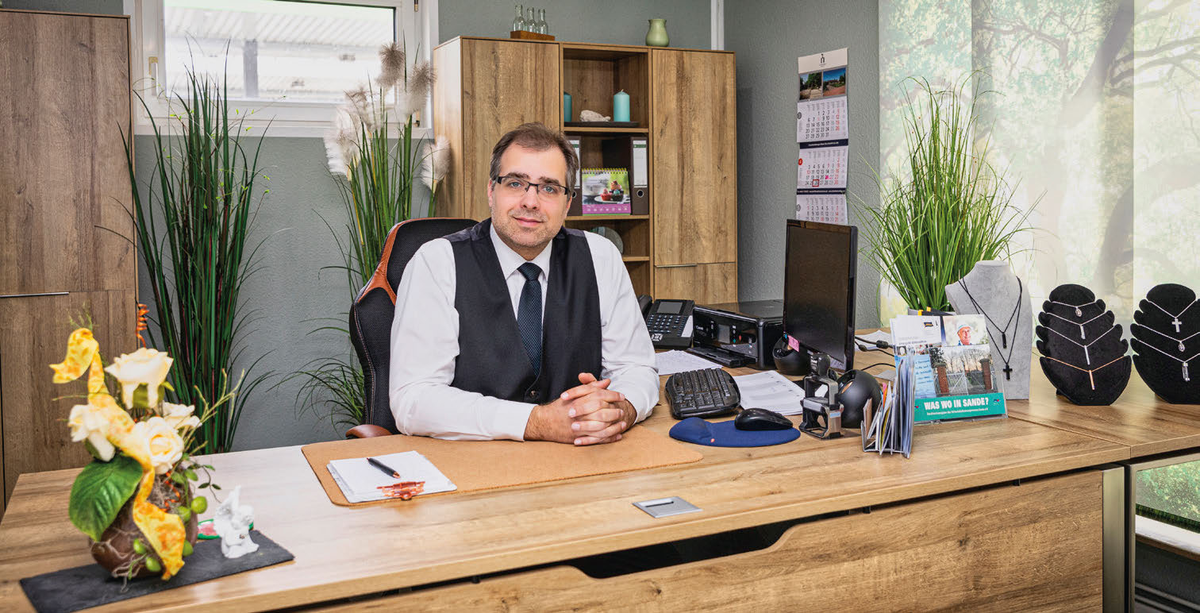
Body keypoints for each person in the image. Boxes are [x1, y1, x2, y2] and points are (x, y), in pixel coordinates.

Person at [388, 123, 658, 445]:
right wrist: (537, 422)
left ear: (567, 203)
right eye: (515, 183)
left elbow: (636, 368)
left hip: (580, 457)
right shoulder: (437, 262)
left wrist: (617, 410)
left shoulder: (601, 257)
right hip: (471, 461)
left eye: (549, 188)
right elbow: (413, 399)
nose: (531, 201)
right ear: (492, 191)